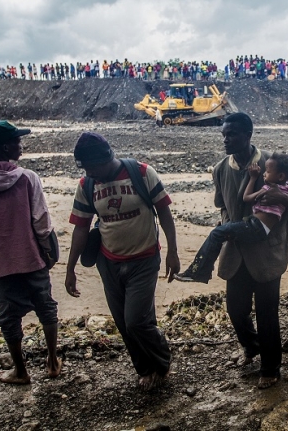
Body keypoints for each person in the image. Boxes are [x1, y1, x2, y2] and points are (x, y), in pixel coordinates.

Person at [195, 112, 288, 389]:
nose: (226, 139)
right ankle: (254, 346)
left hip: (268, 251)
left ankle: (271, 367)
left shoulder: (273, 162)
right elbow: (222, 205)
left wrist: (287, 199)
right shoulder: (221, 169)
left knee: (268, 312)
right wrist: (227, 228)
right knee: (236, 309)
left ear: (248, 136)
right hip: (236, 249)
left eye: (231, 134)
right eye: (223, 134)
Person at [64, 132, 180, 391]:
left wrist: (173, 251)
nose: (90, 172)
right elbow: (81, 228)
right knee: (123, 324)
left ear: (107, 157)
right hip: (109, 262)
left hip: (145, 258)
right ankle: (144, 369)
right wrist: (70, 268)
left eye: (93, 167)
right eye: (85, 168)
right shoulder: (87, 186)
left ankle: (162, 360)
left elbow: (164, 212)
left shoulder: (141, 173)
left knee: (136, 321)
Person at [0, 121, 61, 384]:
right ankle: (52, 361)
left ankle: (20, 370)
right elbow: (41, 222)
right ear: (6, 146)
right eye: (17, 141)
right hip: (31, 258)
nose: (20, 145)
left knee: (8, 317)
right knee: (46, 308)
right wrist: (49, 255)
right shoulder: (28, 178)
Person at [175, 153, 288, 283]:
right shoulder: (221, 168)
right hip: (237, 252)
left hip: (263, 246)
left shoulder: (270, 182)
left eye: (267, 171)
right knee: (220, 233)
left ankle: (199, 271)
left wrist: (254, 179)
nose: (264, 174)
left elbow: (247, 198)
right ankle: (201, 270)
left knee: (216, 233)